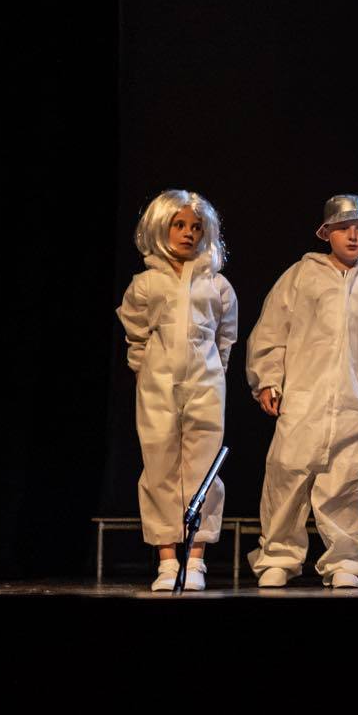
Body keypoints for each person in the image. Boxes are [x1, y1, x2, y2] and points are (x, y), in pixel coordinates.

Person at [246, 195, 358, 588]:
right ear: (326, 233)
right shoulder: (300, 275)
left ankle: (344, 559)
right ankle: (278, 555)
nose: (353, 236)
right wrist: (268, 377)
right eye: (344, 228)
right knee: (287, 475)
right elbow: (273, 330)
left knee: (346, 481)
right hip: (305, 397)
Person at [117, 189, 237, 592]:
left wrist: (215, 371)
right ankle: (167, 558)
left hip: (205, 379)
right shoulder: (146, 283)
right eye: (179, 225)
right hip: (158, 378)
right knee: (159, 463)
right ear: (161, 227)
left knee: (202, 466)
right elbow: (135, 333)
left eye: (195, 227)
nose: (187, 233)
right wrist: (143, 370)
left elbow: (226, 338)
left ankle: (196, 555)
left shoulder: (217, 285)